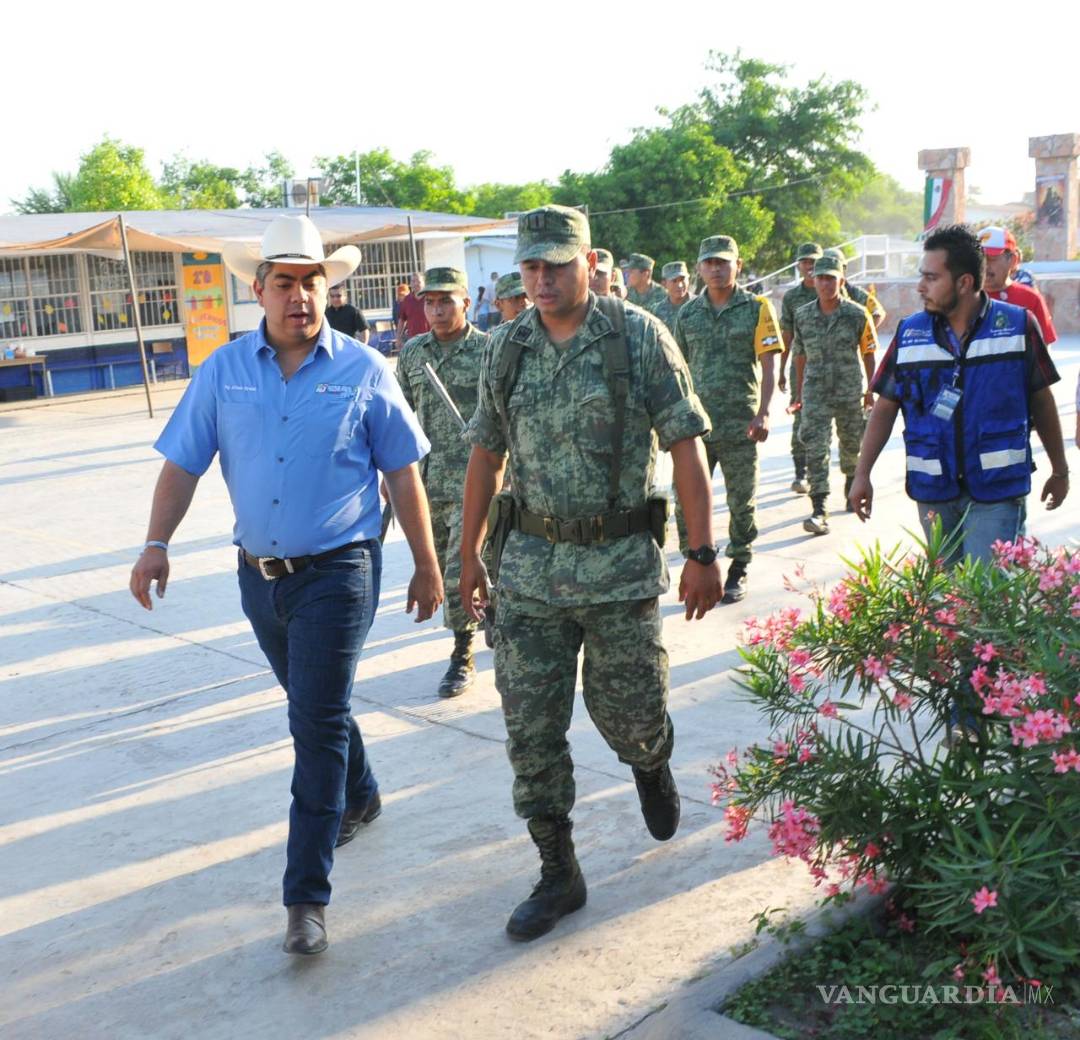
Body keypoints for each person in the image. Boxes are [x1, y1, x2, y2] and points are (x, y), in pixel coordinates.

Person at [128, 215, 443, 956]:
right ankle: (360, 793)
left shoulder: (363, 368)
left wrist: (429, 565)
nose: (299, 295)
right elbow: (182, 463)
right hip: (258, 581)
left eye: (312, 282)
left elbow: (402, 470)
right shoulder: (225, 370)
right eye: (285, 283)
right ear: (258, 290)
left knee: (314, 724)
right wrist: (154, 544)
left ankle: (306, 897)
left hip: (340, 569)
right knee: (316, 708)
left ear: (327, 289)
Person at [458, 205, 721, 942]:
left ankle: (649, 759)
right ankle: (557, 870)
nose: (540, 280)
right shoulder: (506, 346)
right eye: (530, 267)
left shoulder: (638, 336)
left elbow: (686, 449)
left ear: (590, 260)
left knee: (631, 713)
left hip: (618, 571)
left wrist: (702, 555)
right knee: (530, 731)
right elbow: (485, 453)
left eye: (555, 265)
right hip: (530, 575)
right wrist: (467, 554)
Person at [849, 224, 1069, 564]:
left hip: (997, 489)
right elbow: (885, 406)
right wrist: (862, 474)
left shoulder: (1017, 326)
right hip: (934, 487)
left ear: (964, 282)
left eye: (931, 278)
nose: (920, 287)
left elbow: (1042, 400)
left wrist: (1060, 470)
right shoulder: (910, 334)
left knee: (983, 592)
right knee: (946, 597)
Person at [672, 234, 782, 603]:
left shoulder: (757, 308)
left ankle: (739, 565)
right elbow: (678, 370)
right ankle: (696, 558)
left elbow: (769, 364)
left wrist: (764, 411)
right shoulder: (687, 314)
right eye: (709, 263)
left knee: (741, 501)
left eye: (723, 262)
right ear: (700, 267)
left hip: (741, 424)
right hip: (697, 429)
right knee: (685, 500)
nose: (716, 269)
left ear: (738, 265)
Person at [396, 267, 488, 698]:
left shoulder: (489, 350)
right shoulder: (414, 353)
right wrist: (389, 471)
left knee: (458, 573)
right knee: (442, 570)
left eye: (445, 301)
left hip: (478, 485)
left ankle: (462, 653)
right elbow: (398, 418)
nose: (436, 309)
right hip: (429, 485)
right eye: (429, 302)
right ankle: (486, 622)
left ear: (465, 303)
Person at [791, 253, 878, 535]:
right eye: (821, 278)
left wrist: (870, 391)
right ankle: (819, 507)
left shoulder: (857, 313)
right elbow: (799, 355)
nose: (825, 284)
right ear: (812, 280)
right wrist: (798, 392)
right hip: (815, 391)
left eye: (831, 278)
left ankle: (851, 482)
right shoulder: (802, 315)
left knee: (851, 444)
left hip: (848, 390)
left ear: (841, 280)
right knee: (815, 447)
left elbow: (869, 353)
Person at [778, 243, 823, 495]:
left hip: (834, 367)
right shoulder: (792, 297)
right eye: (805, 262)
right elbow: (786, 334)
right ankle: (800, 473)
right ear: (798, 265)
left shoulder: (836, 288)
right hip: (801, 366)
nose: (810, 266)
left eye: (814, 262)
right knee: (801, 417)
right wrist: (782, 368)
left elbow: (869, 314)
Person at [978, 226, 1058, 346]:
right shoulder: (963, 298)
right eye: (980, 258)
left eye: (991, 258)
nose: (985, 265)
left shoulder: (1031, 299)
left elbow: (1043, 349)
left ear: (1013, 260)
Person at [822, 248, 887, 330]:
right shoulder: (815, 291)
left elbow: (878, 313)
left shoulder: (855, 293)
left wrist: (863, 334)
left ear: (844, 269)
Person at [651, 261, 694, 332]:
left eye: (682, 279)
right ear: (664, 284)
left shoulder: (700, 305)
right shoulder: (656, 311)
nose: (680, 285)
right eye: (674, 281)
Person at [396, 272, 430, 347]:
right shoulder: (407, 300)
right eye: (413, 281)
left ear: (424, 283)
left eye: (418, 281)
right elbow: (401, 320)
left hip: (429, 340)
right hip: (413, 341)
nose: (415, 284)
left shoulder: (430, 298)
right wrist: (398, 338)